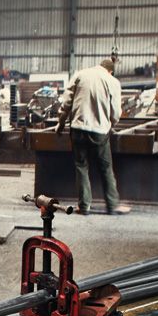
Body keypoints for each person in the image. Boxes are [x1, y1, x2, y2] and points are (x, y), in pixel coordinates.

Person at [57, 59, 130, 215]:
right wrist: (111, 124)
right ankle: (112, 206)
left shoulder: (80, 75)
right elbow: (116, 113)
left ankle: (84, 207)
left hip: (78, 128)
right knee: (106, 168)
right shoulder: (112, 81)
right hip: (99, 132)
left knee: (81, 166)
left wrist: (61, 123)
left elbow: (66, 103)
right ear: (110, 71)